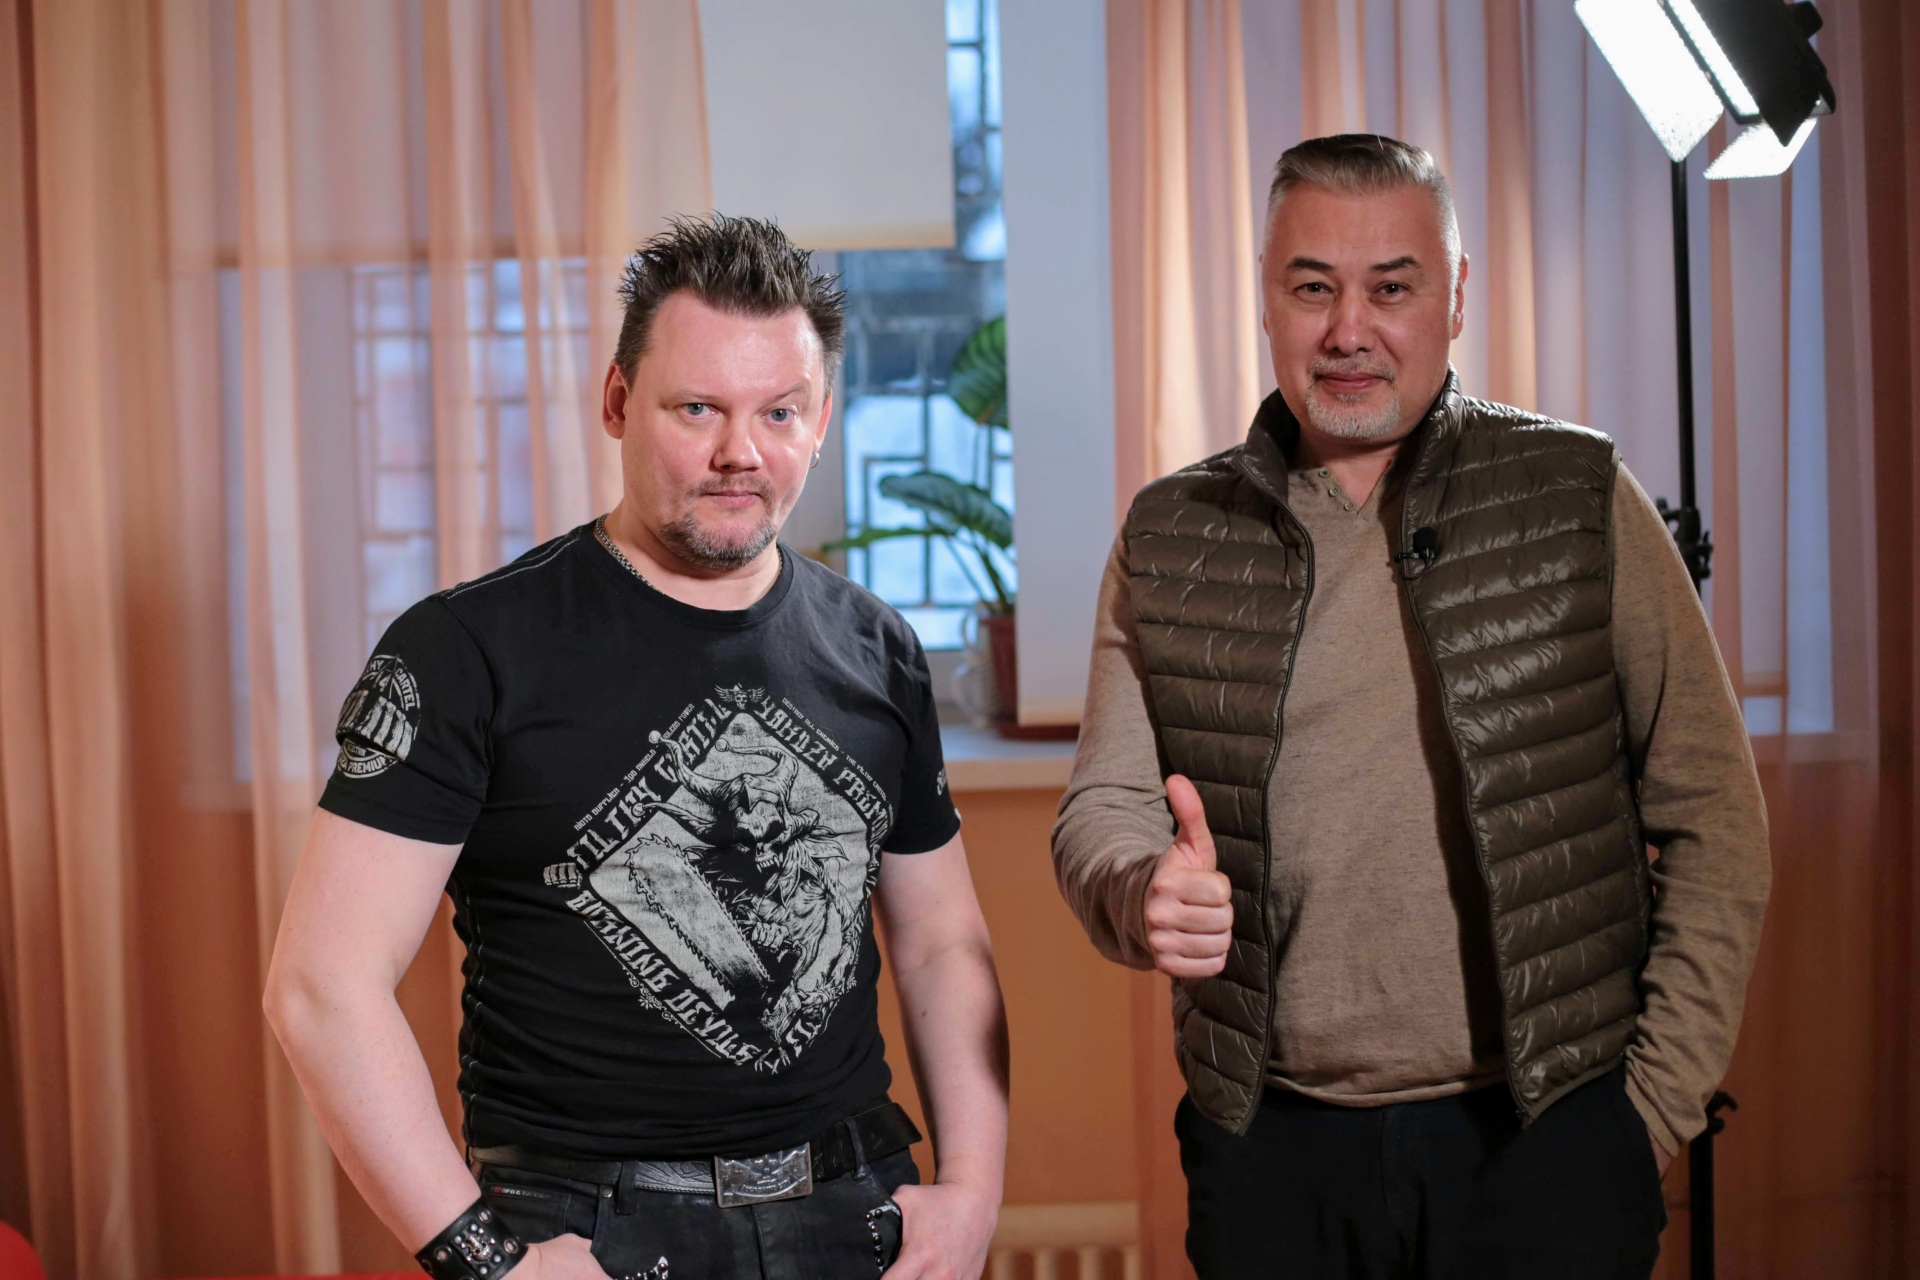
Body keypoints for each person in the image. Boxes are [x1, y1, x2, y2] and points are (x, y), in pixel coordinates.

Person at [1052, 134, 1770, 1279]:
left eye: (1391, 287)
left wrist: (1645, 1116)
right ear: (1267, 298)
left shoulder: (1578, 494)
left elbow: (1715, 814)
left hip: (1550, 1137)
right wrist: (1143, 891)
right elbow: (1102, 807)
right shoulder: (1171, 532)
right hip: (1270, 1153)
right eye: (1313, 288)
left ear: (1455, 296)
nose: (1350, 330)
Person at [266, 214, 1008, 1280]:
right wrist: (490, 1263)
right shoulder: (468, 648)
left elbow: (941, 942)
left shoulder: (877, 646)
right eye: (697, 407)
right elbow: (320, 986)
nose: (739, 451)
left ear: (819, 421)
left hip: (855, 1211)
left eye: (779, 411)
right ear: (617, 401)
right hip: (585, 1230)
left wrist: (974, 1192)